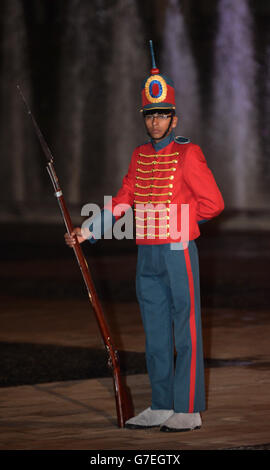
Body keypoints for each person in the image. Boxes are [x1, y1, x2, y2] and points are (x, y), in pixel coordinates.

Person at [65, 41, 224, 432]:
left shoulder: (189, 154)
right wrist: (87, 230)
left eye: (162, 115)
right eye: (150, 115)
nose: (155, 122)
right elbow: (123, 200)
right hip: (147, 253)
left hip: (177, 250)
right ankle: (161, 403)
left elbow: (214, 203)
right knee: (154, 332)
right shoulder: (139, 156)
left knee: (185, 329)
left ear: (174, 118)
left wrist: (182, 226)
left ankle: (188, 408)